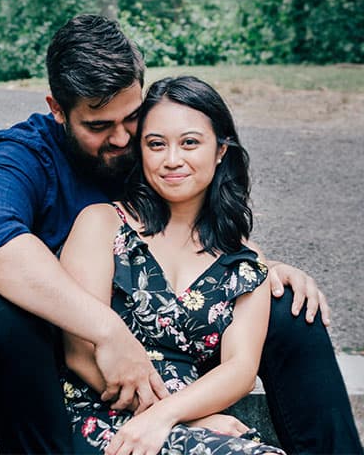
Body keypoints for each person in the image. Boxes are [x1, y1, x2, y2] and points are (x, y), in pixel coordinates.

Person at [0, 14, 362, 454]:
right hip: (75, 347)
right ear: (58, 109)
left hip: (177, 339)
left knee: (288, 303)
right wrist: (108, 332)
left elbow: (197, 212)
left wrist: (259, 269)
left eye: (132, 119)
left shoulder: (152, 142)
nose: (121, 139)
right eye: (98, 126)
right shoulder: (28, 155)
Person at [60, 75, 285, 455]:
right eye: (156, 144)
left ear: (220, 151)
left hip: (185, 418)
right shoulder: (101, 224)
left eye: (190, 143)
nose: (172, 160)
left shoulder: (245, 261)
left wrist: (170, 417)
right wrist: (171, 417)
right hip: (102, 415)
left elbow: (241, 370)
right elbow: (79, 353)